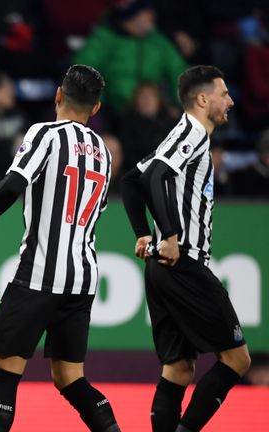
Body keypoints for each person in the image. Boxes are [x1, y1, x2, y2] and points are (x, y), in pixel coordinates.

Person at [0, 65, 121, 432]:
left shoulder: (45, 133)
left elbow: (14, 184)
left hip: (40, 273)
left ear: (58, 95)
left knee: (5, 371)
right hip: (82, 278)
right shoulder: (104, 152)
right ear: (96, 108)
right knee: (70, 377)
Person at [120, 65, 251, 432]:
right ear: (202, 98)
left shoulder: (181, 135)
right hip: (185, 264)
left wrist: (143, 232)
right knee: (237, 360)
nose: (231, 101)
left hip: (162, 268)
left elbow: (133, 181)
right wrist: (173, 236)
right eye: (224, 94)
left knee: (178, 368)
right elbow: (156, 175)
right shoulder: (192, 132)